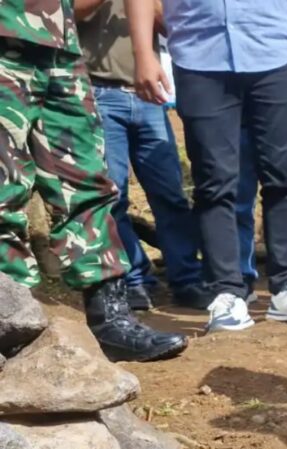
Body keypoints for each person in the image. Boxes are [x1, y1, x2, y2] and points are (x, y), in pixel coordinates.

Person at [127, 0, 287, 332]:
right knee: (214, 182)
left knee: (283, 176)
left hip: (271, 53)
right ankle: (227, 293)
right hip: (199, 58)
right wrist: (143, 53)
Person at [0, 0, 187, 363]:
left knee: (89, 184)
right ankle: (11, 325)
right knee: (5, 192)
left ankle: (110, 320)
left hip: (60, 45)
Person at [75, 0, 214, 312]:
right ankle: (136, 279)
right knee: (113, 196)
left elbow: (172, 27)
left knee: (170, 194)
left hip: (148, 94)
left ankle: (187, 279)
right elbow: (71, 12)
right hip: (99, 92)